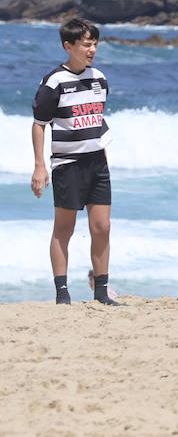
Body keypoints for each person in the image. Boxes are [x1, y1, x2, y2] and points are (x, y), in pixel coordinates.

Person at [31, 18, 120, 306]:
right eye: (85, 44)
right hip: (67, 165)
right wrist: (40, 166)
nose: (91, 49)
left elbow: (96, 117)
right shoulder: (54, 82)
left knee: (102, 226)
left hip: (97, 162)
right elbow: (39, 124)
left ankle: (101, 292)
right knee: (64, 228)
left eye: (94, 44)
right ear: (68, 46)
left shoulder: (99, 77)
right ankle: (62, 293)